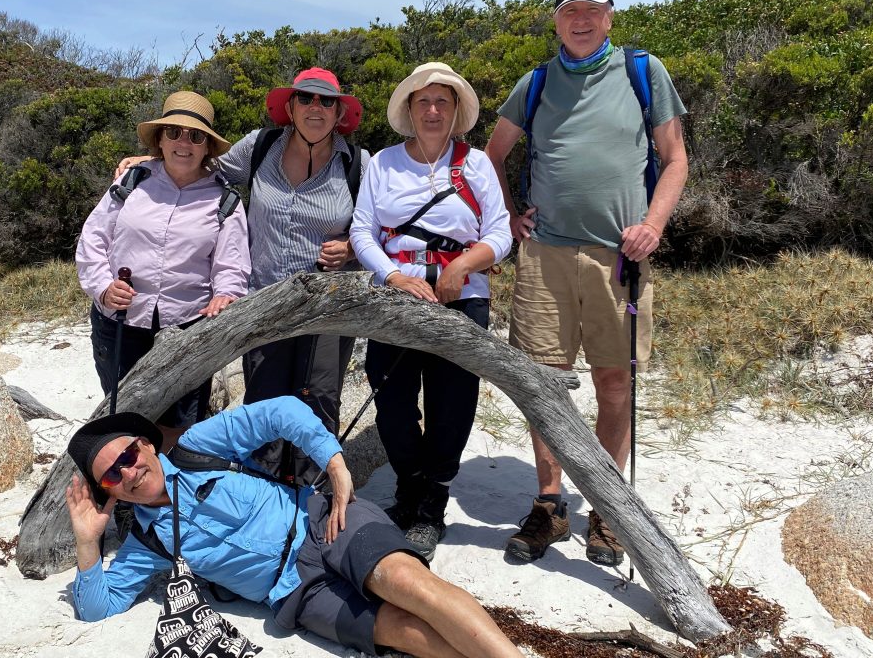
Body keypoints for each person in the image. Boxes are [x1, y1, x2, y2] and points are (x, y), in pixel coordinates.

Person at [484, 0, 689, 566]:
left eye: (591, 11)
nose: (580, 20)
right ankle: (549, 506)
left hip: (618, 258)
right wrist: (510, 217)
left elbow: (674, 159)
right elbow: (492, 155)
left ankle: (607, 509)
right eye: (570, 11)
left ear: (610, 16)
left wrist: (653, 224)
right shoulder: (537, 81)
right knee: (544, 387)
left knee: (614, 383)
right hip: (544, 256)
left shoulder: (643, 72)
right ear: (556, 19)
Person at [64, 400, 526, 658]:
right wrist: (88, 542)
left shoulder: (196, 447)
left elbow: (281, 412)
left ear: (145, 444)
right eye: (111, 475)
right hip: (293, 595)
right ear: (111, 492)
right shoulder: (146, 540)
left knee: (408, 584)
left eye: (127, 456)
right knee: (400, 629)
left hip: (322, 521)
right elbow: (97, 609)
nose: (128, 473)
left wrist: (336, 465)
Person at [118, 69, 367, 485]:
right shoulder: (260, 146)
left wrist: (352, 249)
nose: (316, 108)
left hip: (328, 303)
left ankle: (313, 492)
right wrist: (154, 163)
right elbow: (203, 170)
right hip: (263, 301)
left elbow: (375, 230)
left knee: (320, 398)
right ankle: (263, 486)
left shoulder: (357, 163)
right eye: (306, 99)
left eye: (327, 102)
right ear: (290, 107)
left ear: (340, 111)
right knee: (263, 399)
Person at [350, 62, 512, 560]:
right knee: (391, 395)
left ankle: (431, 505)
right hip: (396, 295)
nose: (434, 110)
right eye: (424, 102)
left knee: (452, 400)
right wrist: (394, 276)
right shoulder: (383, 163)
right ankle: (408, 488)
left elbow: (500, 233)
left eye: (443, 101)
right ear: (410, 110)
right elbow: (362, 231)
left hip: (461, 297)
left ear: (456, 109)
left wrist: (462, 264)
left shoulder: (477, 163)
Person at [78, 91, 250, 452]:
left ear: (208, 148)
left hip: (187, 327)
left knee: (181, 426)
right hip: (120, 323)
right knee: (122, 415)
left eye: (195, 136)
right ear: (159, 139)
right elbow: (93, 239)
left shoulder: (225, 201)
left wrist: (225, 295)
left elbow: (231, 266)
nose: (183, 142)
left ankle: (173, 499)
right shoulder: (131, 183)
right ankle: (127, 501)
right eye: (173, 132)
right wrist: (103, 287)